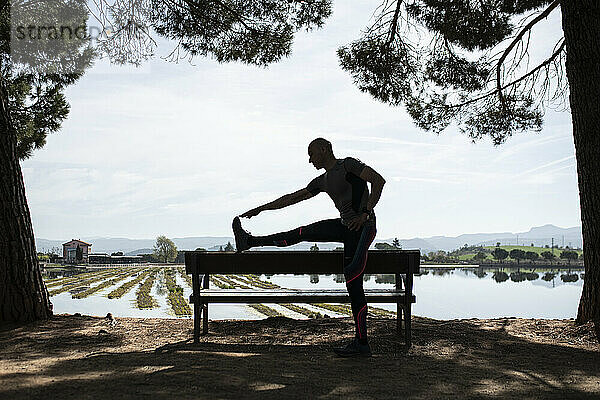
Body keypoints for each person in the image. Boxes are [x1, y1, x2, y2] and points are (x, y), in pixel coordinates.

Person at [232, 138, 386, 357]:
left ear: (324, 149)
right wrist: (262, 208)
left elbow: (378, 181)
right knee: (301, 233)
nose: (309, 159)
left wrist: (365, 213)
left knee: (353, 281)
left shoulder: (349, 165)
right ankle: (249, 242)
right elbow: (293, 198)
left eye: (311, 153)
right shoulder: (323, 180)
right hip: (344, 226)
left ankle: (362, 344)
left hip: (363, 228)